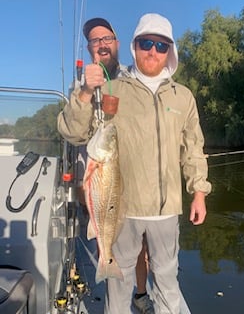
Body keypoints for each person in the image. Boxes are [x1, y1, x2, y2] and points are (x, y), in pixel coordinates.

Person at [58, 13, 212, 314]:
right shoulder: (112, 87)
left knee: (167, 280)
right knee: (119, 282)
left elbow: (193, 148)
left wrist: (199, 192)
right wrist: (87, 91)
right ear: (134, 46)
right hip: (120, 208)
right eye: (145, 43)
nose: (152, 51)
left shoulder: (183, 96)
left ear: (170, 51)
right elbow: (73, 132)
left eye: (160, 45)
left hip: (166, 210)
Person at [76, 17, 152, 313]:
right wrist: (85, 91)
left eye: (107, 38)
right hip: (102, 184)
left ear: (117, 44)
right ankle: (117, 301)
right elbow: (70, 131)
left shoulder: (133, 81)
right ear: (89, 47)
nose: (102, 44)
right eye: (95, 40)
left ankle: (142, 294)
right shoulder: (81, 84)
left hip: (136, 184)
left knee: (142, 250)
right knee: (112, 246)